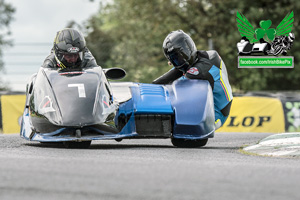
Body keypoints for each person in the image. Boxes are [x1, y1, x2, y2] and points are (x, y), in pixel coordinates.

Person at [153, 30, 233, 130]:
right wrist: (152, 85)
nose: (179, 62)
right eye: (174, 60)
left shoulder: (202, 68)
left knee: (175, 97)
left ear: (188, 48)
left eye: (179, 57)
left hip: (217, 113)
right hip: (208, 106)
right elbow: (166, 78)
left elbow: (178, 84)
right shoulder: (199, 58)